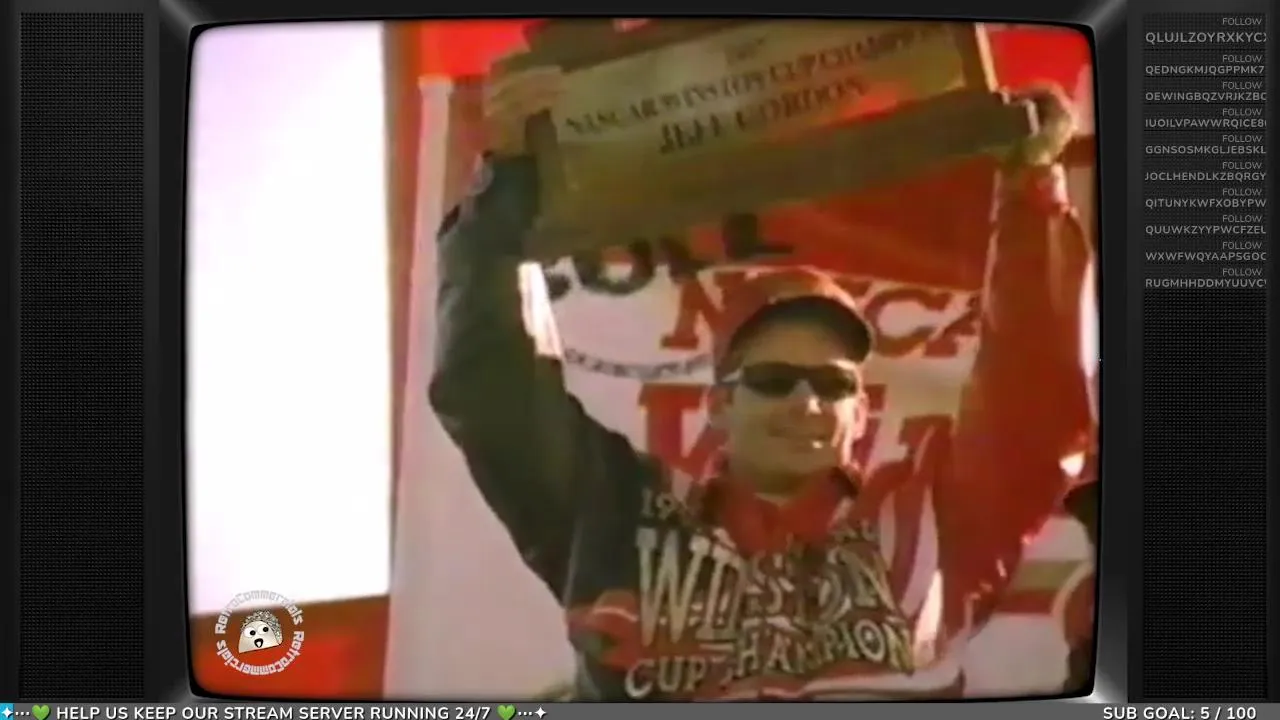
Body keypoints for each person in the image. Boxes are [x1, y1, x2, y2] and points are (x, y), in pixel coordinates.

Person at [428, 60, 1095, 700]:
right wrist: (507, 183)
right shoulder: (612, 518)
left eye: (832, 385)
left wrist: (1032, 190)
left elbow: (1030, 407)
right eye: (775, 379)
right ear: (719, 404)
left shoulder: (932, 526)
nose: (807, 401)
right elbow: (491, 390)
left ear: (860, 412)